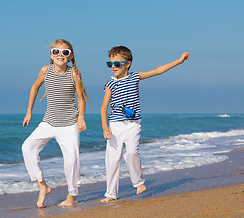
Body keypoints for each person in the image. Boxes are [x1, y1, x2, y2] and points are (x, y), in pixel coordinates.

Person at [100, 46, 189, 202]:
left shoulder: (135, 76)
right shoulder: (110, 83)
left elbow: (158, 70)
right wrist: (104, 126)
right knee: (113, 160)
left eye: (117, 64)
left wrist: (179, 61)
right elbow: (103, 107)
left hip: (133, 124)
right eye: (110, 64)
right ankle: (110, 194)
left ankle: (138, 183)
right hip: (115, 125)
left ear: (128, 63)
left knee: (132, 153)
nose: (113, 67)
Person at [22, 39, 88, 208]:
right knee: (27, 147)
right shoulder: (45, 71)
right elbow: (35, 87)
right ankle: (42, 185)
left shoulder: (74, 74)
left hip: (70, 124)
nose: (60, 55)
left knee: (72, 160)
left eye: (65, 52)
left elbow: (81, 98)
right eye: (56, 52)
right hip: (49, 122)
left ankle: (72, 196)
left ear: (70, 56)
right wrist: (29, 111)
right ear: (51, 55)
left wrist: (81, 119)